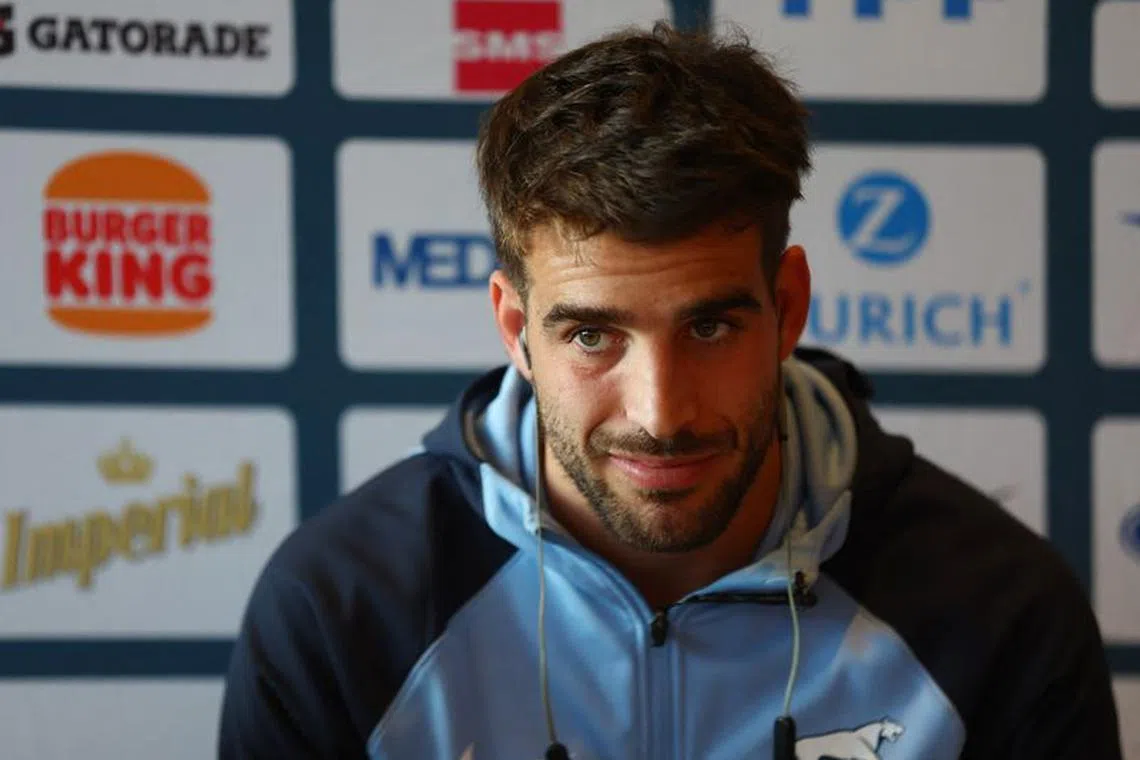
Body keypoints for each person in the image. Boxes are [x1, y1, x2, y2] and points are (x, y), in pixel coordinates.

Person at [218, 22, 1123, 760]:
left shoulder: (1000, 613)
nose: (661, 413)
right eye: (591, 335)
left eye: (710, 327)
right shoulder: (340, 609)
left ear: (788, 305)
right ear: (514, 329)